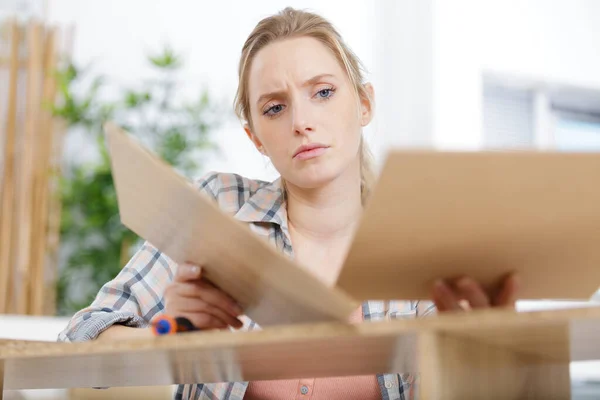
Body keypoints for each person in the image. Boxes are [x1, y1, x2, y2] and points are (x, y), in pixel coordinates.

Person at [59, 7, 519, 400]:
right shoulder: (217, 207)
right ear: (255, 137)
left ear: (363, 105)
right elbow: (77, 342)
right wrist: (170, 333)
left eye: (322, 92)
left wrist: (483, 349)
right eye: (275, 108)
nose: (301, 121)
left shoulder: (421, 244)